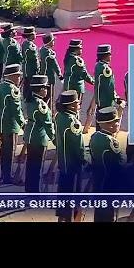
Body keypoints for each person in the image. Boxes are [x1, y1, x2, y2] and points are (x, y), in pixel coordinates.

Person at [90, 106, 126, 222]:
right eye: (116, 121)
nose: (117, 123)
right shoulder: (110, 142)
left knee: (99, 215)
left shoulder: (95, 137)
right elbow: (120, 163)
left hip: (98, 182)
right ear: (108, 124)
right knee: (110, 216)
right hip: (109, 185)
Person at [53, 90, 84, 222]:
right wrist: (85, 160)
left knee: (63, 195)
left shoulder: (59, 116)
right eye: (76, 102)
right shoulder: (72, 122)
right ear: (71, 105)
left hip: (63, 163)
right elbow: (79, 146)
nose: (79, 103)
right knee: (73, 197)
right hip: (73, 165)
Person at [22, 75, 54, 193]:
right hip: (39, 137)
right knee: (38, 166)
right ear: (40, 89)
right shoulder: (41, 105)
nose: (46, 90)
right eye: (45, 88)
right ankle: (36, 191)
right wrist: (55, 139)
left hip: (30, 135)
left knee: (30, 164)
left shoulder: (29, 100)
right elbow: (47, 124)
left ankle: (29, 188)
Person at [0, 64, 26, 184]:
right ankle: (8, 176)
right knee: (10, 151)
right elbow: (16, 110)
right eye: (18, 76)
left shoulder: (1, 86)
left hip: (2, 123)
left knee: (4, 150)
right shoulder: (13, 90)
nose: (19, 78)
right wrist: (23, 124)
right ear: (12, 76)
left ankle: (4, 173)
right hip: (11, 124)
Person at [39, 33, 63, 114]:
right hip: (49, 78)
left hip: (41, 77)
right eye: (53, 41)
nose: (54, 42)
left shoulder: (42, 50)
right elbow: (55, 66)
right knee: (50, 97)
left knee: (43, 96)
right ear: (49, 42)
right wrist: (60, 76)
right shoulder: (49, 54)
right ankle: (50, 114)